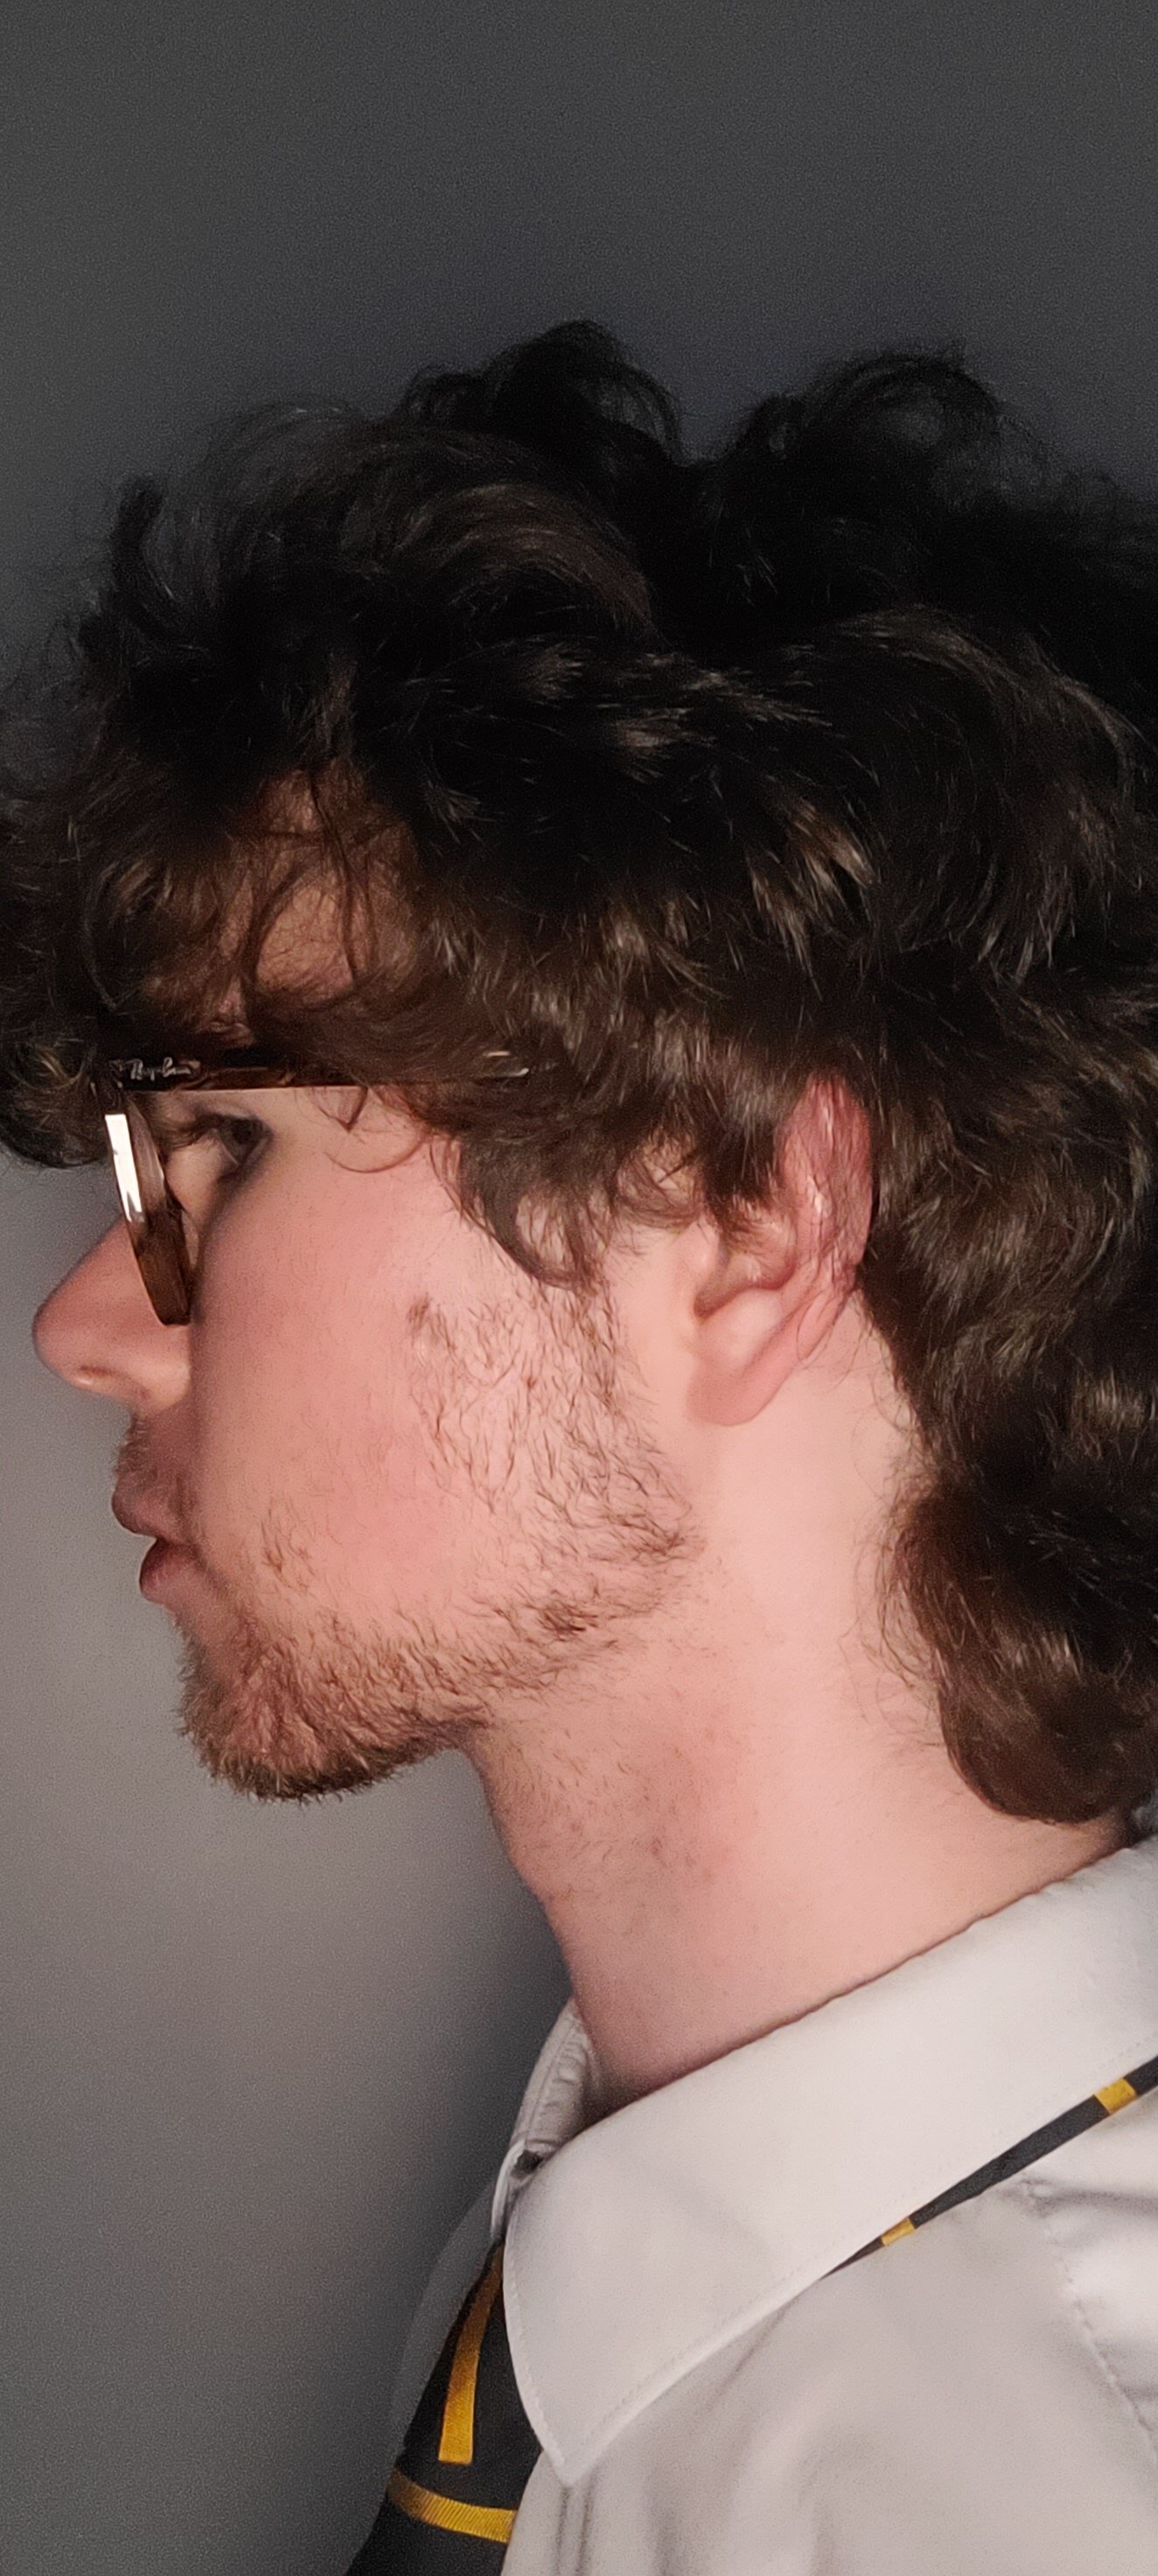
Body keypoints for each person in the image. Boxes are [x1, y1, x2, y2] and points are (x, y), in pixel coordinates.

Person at [7, 323, 1158, 2572]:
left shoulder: (1034, 2491)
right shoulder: (650, 2254)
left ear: (741, 1221)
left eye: (224, 1143)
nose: (83, 1327)